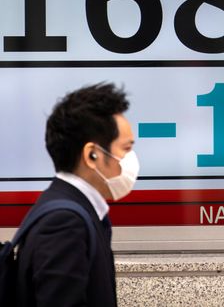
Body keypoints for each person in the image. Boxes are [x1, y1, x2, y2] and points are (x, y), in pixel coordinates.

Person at [15, 82, 139, 307]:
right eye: (126, 149)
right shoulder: (64, 223)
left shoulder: (76, 210)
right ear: (92, 155)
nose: (132, 159)